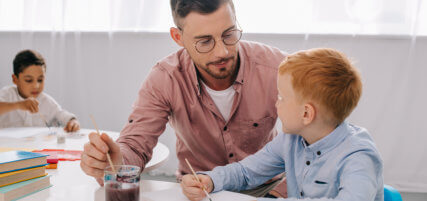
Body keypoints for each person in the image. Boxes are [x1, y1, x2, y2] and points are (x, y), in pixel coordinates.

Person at [80, 0, 288, 197]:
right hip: (197, 191)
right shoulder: (165, 79)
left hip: (267, 188)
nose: (222, 51)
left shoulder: (277, 67)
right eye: (204, 41)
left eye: (229, 34)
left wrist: (278, 195)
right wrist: (117, 163)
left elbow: (316, 139)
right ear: (178, 38)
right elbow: (136, 145)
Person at [180, 48, 384, 201]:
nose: (275, 103)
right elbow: (247, 171)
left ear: (306, 113)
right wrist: (210, 180)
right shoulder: (292, 139)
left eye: (281, 97)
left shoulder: (359, 156)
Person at [0, 49, 80, 132]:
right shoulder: (7, 94)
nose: (36, 86)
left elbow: (63, 115)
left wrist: (73, 121)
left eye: (40, 80)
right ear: (15, 79)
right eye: (29, 80)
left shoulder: (46, 101)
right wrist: (18, 105)